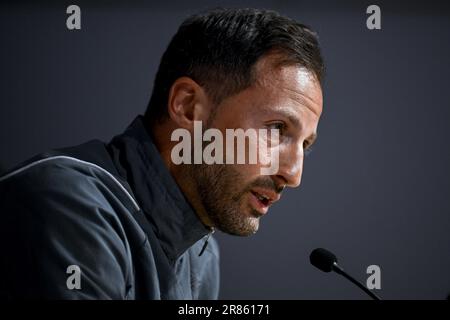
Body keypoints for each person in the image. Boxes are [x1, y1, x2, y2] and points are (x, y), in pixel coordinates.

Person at [0, 8, 324, 299]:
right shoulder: (66, 203)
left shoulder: (202, 253)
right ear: (187, 106)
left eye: (305, 146)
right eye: (276, 129)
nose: (293, 175)